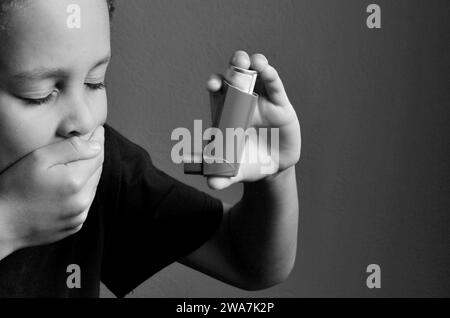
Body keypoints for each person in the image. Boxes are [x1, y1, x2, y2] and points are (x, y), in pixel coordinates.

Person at [0, 0, 301, 297]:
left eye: (95, 83)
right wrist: (9, 224)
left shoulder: (101, 169)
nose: (84, 119)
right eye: (38, 95)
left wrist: (274, 175)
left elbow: (247, 262)